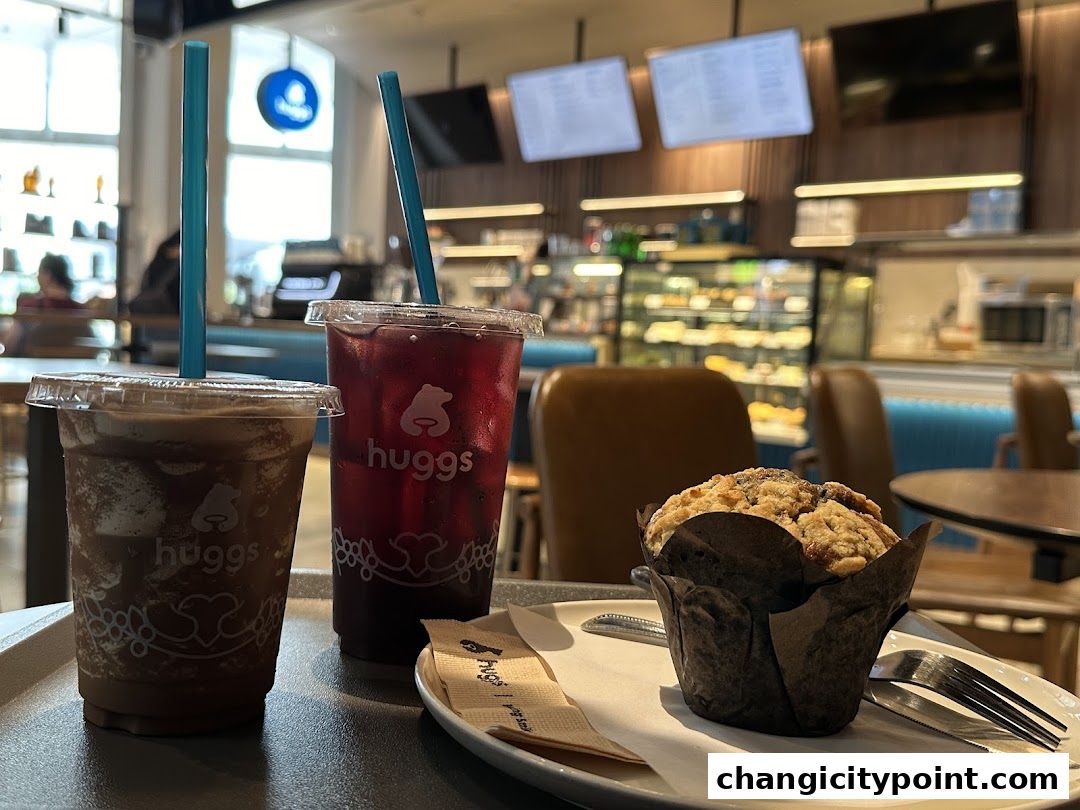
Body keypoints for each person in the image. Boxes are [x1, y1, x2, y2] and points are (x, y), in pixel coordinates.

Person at [1, 254, 92, 356]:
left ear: (47, 274)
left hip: (31, 364)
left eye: (39, 273)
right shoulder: (81, 310)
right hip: (74, 364)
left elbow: (10, 345)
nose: (37, 277)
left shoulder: (30, 306)